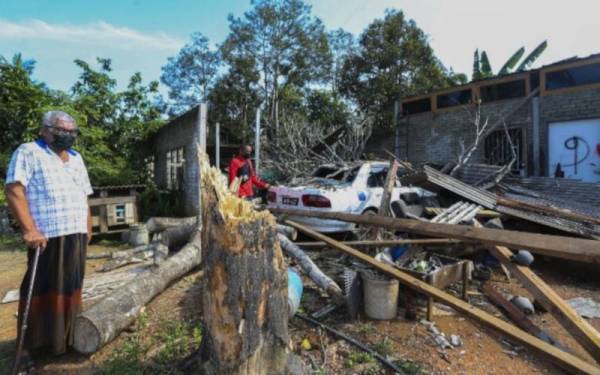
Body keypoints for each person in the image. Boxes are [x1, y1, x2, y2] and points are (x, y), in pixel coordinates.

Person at [5, 111, 93, 370]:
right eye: (61, 130)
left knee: (71, 288)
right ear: (45, 130)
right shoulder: (29, 151)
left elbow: (84, 195)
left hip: (75, 231)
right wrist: (29, 229)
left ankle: (63, 342)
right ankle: (28, 348)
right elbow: (14, 189)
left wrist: (87, 226)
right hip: (47, 235)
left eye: (71, 131)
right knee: (43, 291)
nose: (67, 135)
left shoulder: (76, 158)